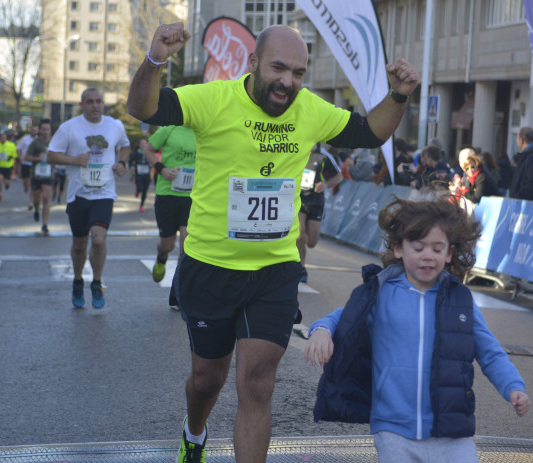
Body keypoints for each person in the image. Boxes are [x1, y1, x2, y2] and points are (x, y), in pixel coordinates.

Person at [127, 22, 419, 463]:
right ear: (253, 63)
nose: (288, 81)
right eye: (278, 68)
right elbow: (143, 107)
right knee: (207, 380)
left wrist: (398, 95)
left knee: (258, 384)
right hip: (210, 266)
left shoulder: (310, 109)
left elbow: (368, 133)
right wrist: (155, 60)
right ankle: (195, 429)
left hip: (273, 270)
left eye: (298, 72)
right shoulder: (213, 99)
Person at [305, 195, 530, 463]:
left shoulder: (460, 301)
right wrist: (320, 331)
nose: (427, 256)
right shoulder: (381, 294)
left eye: (437, 249)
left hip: (451, 431)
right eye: (418, 247)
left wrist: (513, 387)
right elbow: (342, 318)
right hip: (393, 429)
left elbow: (490, 353)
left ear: (449, 253)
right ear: (399, 249)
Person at [47, 88, 131, 309]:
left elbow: (125, 145)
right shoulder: (69, 128)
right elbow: (51, 154)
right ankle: (77, 280)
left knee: (99, 238)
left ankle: (96, 282)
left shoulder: (115, 125)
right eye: (90, 102)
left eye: (99, 101)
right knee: (78, 244)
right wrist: (75, 160)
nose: (95, 105)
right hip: (78, 194)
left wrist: (121, 163)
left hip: (104, 193)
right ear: (82, 104)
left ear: (104, 104)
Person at [142, 125, 196, 283]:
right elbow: (147, 150)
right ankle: (161, 258)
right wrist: (162, 169)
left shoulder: (202, 129)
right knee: (167, 245)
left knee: (186, 245)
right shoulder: (168, 129)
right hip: (168, 194)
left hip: (192, 195)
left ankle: (180, 290)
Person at [297, 144, 343, 283]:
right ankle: (301, 267)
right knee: (300, 235)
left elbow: (339, 176)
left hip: (315, 201)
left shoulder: (324, 156)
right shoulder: (298, 149)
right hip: (299, 198)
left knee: (311, 242)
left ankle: (302, 240)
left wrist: (325, 185)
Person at [24, 119, 54, 236]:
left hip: (48, 175)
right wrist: (37, 158)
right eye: (44, 129)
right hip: (36, 175)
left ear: (50, 130)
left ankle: (45, 224)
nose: (46, 132)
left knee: (46, 198)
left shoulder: (54, 143)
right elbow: (26, 157)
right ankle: (36, 209)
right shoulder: (35, 143)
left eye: (48, 129)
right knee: (37, 199)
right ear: (40, 130)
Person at [509, 127, 533, 202]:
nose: (517, 142)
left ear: (521, 140)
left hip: (526, 207)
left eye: (517, 139)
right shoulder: (528, 156)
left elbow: (532, 186)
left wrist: (517, 197)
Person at [0, 132, 18, 201]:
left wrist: (11, 156)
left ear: (6, 138)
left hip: (8, 166)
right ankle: (0, 194)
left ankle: (7, 184)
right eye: (1, 137)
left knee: (7, 182)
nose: (3, 139)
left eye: (4, 137)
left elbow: (15, 153)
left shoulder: (11, 145)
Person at [17, 124, 39, 207]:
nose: (34, 131)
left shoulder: (39, 140)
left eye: (35, 130)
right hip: (25, 163)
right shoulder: (25, 139)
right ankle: (25, 187)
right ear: (30, 130)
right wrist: (20, 158)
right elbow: (18, 149)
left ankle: (31, 202)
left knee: (32, 183)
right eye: (32, 130)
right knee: (26, 182)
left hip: (35, 164)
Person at [129, 138, 152, 213]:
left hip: (147, 174)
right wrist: (132, 167)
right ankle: (138, 190)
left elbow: (153, 160)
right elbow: (130, 161)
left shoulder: (149, 152)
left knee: (145, 191)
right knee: (140, 187)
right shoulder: (136, 153)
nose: (143, 145)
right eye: (141, 143)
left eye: (144, 143)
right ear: (139, 145)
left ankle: (141, 205)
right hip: (138, 173)